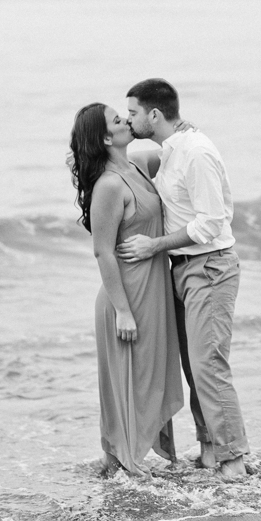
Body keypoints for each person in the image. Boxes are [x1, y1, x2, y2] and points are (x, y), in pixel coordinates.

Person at [117, 79, 249, 477]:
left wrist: (154, 245)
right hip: (183, 269)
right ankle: (210, 449)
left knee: (208, 364)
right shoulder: (173, 149)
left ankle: (234, 461)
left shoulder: (196, 153)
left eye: (134, 113)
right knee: (194, 367)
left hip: (209, 267)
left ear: (154, 115)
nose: (128, 118)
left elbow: (211, 224)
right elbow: (134, 162)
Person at [68, 102, 184, 477]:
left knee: (148, 377)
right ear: (105, 138)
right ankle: (121, 464)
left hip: (153, 291)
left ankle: (121, 463)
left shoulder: (136, 166)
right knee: (127, 380)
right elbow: (102, 251)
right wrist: (122, 310)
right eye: (118, 120)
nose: (127, 121)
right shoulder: (108, 185)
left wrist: (176, 123)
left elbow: (175, 146)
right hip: (126, 295)